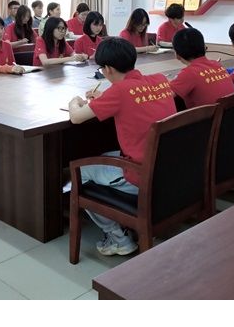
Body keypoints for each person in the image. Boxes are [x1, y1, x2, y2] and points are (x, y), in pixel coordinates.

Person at [68, 37, 177, 256]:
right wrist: (104, 98)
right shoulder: (159, 80)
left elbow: (76, 118)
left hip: (142, 175)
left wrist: (74, 102)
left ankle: (118, 239)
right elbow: (131, 98)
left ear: (107, 69)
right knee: (103, 155)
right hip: (170, 167)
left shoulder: (119, 91)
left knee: (80, 172)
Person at [170, 28, 234, 108]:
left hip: (209, 116)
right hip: (232, 113)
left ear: (177, 54)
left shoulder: (188, 73)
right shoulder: (217, 64)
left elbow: (165, 96)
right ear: (204, 47)